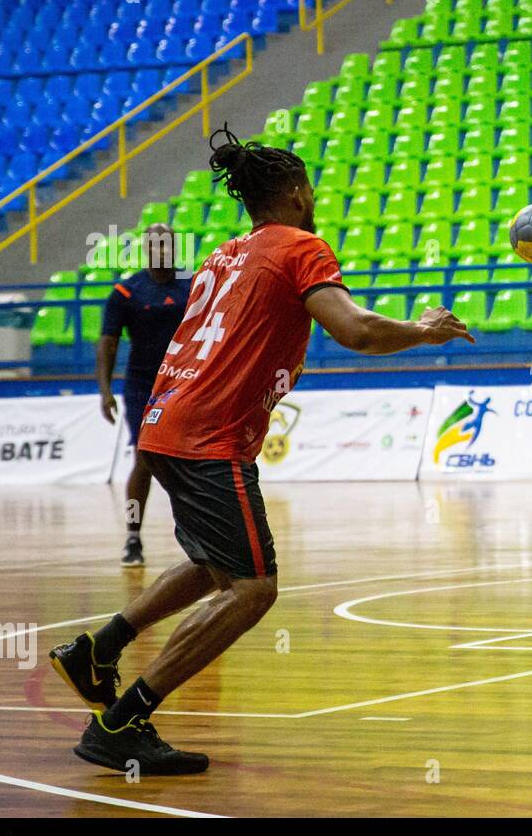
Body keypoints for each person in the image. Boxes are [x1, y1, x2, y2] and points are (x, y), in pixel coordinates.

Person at [49, 128, 474, 775]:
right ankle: (124, 719)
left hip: (167, 424)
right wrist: (423, 331)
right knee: (252, 589)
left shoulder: (223, 254)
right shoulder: (301, 247)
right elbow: (354, 330)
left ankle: (97, 650)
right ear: (300, 194)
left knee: (205, 563)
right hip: (209, 434)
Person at [96, 223, 189, 567]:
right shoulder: (126, 291)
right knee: (145, 458)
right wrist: (105, 391)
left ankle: (196, 534)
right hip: (141, 388)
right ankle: (133, 536)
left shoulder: (192, 287)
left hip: (183, 384)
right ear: (147, 249)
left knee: (190, 460)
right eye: (155, 244)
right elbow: (108, 342)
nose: (162, 250)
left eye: (167, 244)